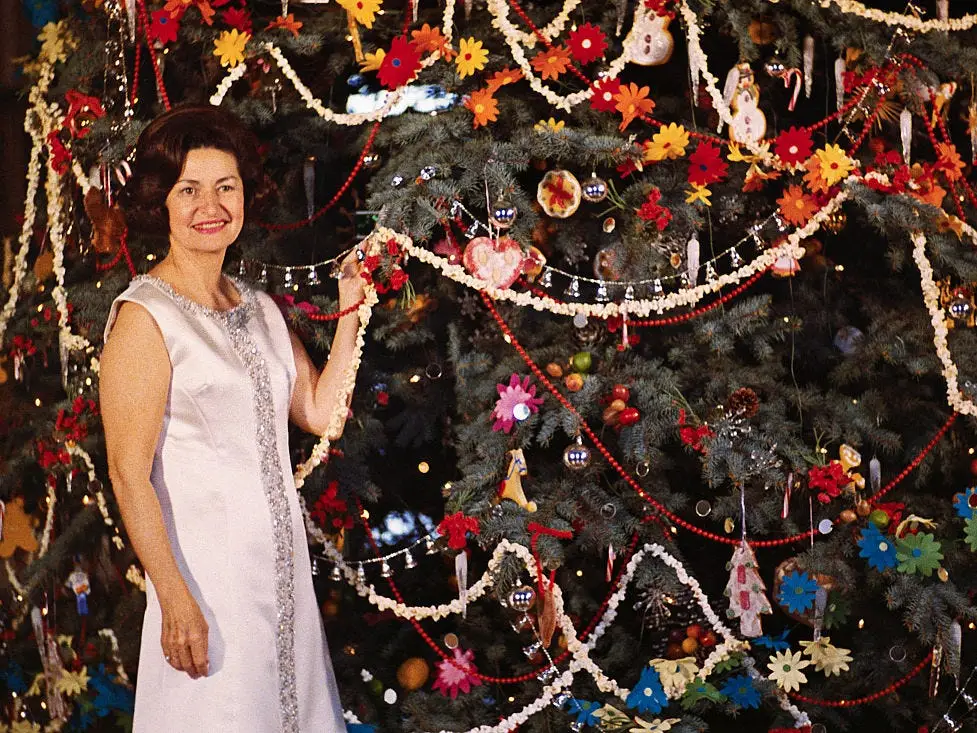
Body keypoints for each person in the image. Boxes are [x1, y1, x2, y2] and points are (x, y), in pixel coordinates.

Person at [99, 105, 364, 732]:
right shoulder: (144, 318)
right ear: (161, 203)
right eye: (188, 189)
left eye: (226, 187)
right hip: (204, 585)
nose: (210, 205)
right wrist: (172, 596)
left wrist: (352, 312)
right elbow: (127, 472)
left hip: (281, 577)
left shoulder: (263, 309)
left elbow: (323, 414)